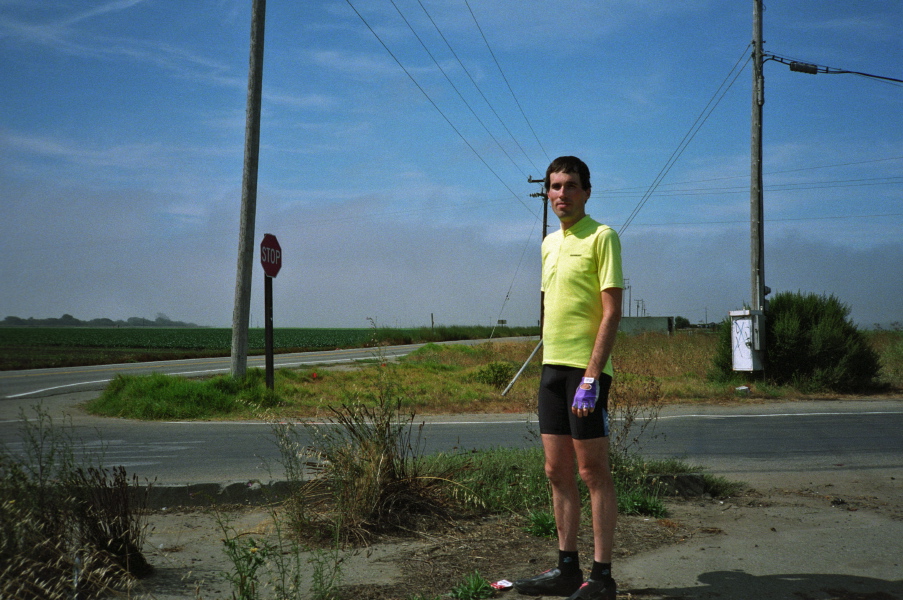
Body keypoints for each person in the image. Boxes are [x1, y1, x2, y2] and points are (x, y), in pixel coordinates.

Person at [514, 156, 623, 600]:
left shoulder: (603, 237)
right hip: (551, 368)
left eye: (570, 186)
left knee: (591, 470)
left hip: (585, 373)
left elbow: (611, 311)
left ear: (587, 191)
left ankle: (601, 578)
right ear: (547, 192)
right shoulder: (547, 243)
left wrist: (592, 376)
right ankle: (565, 569)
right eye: (554, 187)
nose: (561, 194)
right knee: (556, 470)